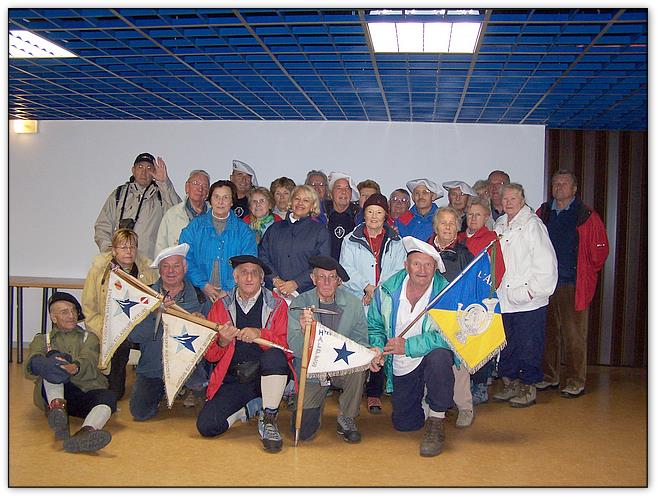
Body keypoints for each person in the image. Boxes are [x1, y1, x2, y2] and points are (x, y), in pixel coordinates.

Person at [368, 236, 456, 457]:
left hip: (427, 355)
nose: (422, 270)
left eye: (428, 265)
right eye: (416, 263)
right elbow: (375, 326)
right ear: (406, 265)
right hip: (401, 361)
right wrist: (377, 349)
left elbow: (450, 336)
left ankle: (437, 417)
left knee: (440, 357)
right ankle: (425, 401)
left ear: (435, 268)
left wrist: (408, 346)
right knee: (405, 424)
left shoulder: (446, 293)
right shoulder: (386, 290)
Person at [196, 255, 293, 453]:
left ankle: (269, 419)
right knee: (207, 426)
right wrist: (222, 341)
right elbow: (210, 356)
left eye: (254, 273)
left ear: (261, 278)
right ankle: (250, 408)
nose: (249, 278)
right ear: (235, 277)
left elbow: (286, 348)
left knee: (275, 357)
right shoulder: (221, 306)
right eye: (244, 273)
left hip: (266, 375)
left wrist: (260, 333)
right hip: (235, 379)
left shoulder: (277, 305)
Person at [536, 170, 609, 398]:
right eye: (555, 183)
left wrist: (583, 272)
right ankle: (550, 376)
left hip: (572, 284)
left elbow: (600, 251)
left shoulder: (585, 215)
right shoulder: (543, 213)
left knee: (574, 335)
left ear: (575, 188)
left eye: (564, 183)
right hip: (545, 284)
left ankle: (576, 381)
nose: (559, 187)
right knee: (548, 334)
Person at [288, 256, 370, 444]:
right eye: (321, 277)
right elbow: (294, 347)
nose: (326, 282)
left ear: (338, 281)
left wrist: (369, 353)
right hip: (311, 371)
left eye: (331, 277)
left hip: (342, 366)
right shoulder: (299, 303)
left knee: (359, 367)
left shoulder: (353, 304)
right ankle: (316, 404)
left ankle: (347, 417)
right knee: (303, 432)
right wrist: (304, 332)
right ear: (313, 279)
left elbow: (361, 341)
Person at [24, 292, 117, 453]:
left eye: (73, 310)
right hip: (55, 392)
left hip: (85, 390)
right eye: (64, 312)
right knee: (53, 365)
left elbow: (89, 358)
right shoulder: (42, 339)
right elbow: (32, 362)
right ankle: (57, 409)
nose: (71, 315)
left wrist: (75, 367)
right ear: (53, 318)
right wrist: (48, 364)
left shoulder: (89, 337)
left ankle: (86, 433)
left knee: (108, 398)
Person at [339, 193, 406, 414]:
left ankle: (374, 393)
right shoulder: (350, 239)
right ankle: (352, 391)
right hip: (357, 298)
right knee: (357, 342)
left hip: (384, 299)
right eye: (370, 212)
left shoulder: (396, 241)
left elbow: (399, 270)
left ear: (386, 215)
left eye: (379, 212)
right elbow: (346, 269)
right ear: (363, 214)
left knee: (379, 341)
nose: (374, 216)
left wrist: (377, 291)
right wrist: (366, 287)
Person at [492, 183, 558, 407]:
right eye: (505, 198)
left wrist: (532, 291)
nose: (508, 202)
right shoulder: (500, 224)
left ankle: (529, 387)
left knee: (529, 346)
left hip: (529, 301)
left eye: (513, 198)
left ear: (522, 200)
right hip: (505, 298)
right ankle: (511, 384)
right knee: (508, 346)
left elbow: (546, 262)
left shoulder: (533, 225)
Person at [128, 243, 211, 421]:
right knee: (139, 413)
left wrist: (201, 326)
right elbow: (134, 336)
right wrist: (156, 314)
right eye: (165, 266)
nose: (171, 271)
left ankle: (188, 387)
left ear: (185, 268)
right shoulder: (144, 297)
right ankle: (164, 390)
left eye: (176, 266)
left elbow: (213, 340)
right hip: (153, 367)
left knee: (206, 415)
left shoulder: (200, 298)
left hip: (189, 367)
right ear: (159, 270)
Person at [81, 228, 158, 400]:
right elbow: (89, 308)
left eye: (132, 247)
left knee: (154, 340)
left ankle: (151, 385)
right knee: (116, 393)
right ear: (114, 250)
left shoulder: (149, 270)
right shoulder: (98, 271)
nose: (128, 252)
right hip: (110, 329)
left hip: (140, 326)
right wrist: (106, 329)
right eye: (123, 247)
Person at [427, 207, 476, 427]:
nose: (447, 227)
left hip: (456, 316)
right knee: (430, 358)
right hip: (428, 315)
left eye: (451, 223)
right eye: (443, 223)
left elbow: (472, 286)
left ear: (457, 228)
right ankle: (430, 404)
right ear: (435, 226)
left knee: (458, 364)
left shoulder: (464, 254)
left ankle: (464, 407)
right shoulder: (424, 250)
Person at [457, 197, 505, 404]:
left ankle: (480, 384)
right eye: (470, 214)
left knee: (479, 344)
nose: (473, 218)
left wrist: (485, 295)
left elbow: (497, 271)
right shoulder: (458, 238)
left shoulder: (491, 239)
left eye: (478, 214)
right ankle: (461, 385)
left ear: (486, 217)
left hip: (479, 301)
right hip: (459, 300)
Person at [179, 180, 257, 304]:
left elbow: (248, 263)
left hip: (234, 295)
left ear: (232, 202)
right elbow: (184, 257)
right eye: (216, 197)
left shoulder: (244, 231)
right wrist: (203, 284)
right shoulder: (195, 227)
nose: (220, 202)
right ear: (210, 200)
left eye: (225, 197)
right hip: (198, 293)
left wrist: (227, 290)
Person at [94, 152, 181, 259]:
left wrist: (164, 183)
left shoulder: (162, 195)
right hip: (121, 264)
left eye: (149, 168)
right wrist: (109, 251)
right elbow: (102, 226)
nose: (144, 172)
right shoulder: (119, 194)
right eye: (140, 167)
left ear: (154, 172)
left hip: (149, 264)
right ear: (133, 170)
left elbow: (178, 214)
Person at [259, 185, 331, 298]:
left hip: (305, 294)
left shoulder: (320, 232)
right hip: (273, 293)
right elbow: (262, 256)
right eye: (297, 198)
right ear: (291, 202)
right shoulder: (274, 229)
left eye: (306, 200)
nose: (300, 203)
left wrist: (296, 283)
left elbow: (322, 264)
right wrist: (275, 279)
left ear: (313, 206)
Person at [155, 169, 210, 255]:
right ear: (187, 187)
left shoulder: (215, 215)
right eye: (196, 183)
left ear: (208, 192)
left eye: (205, 186)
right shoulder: (172, 215)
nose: (200, 189)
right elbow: (160, 249)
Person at [325, 171, 360, 261]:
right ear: (331, 193)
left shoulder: (359, 216)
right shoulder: (321, 213)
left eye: (347, 188)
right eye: (339, 188)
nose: (343, 192)